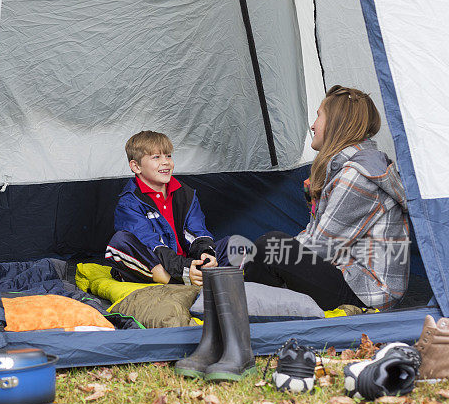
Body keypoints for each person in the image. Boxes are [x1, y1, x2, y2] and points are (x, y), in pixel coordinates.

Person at [243, 85, 409, 311]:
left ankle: (244, 319)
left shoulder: (357, 175)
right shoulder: (342, 170)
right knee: (268, 250)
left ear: (337, 123)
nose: (312, 125)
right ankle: (250, 311)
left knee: (268, 246)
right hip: (348, 273)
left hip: (368, 292)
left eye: (319, 116)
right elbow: (314, 235)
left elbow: (321, 246)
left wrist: (264, 257)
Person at [104, 130, 228, 287]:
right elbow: (149, 244)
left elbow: (197, 231)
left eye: (168, 155)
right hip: (156, 262)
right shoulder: (129, 202)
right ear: (136, 167)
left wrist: (205, 255)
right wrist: (184, 268)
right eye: (156, 157)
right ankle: (172, 279)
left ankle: (198, 275)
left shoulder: (185, 193)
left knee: (233, 245)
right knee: (120, 242)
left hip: (184, 261)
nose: (166, 162)